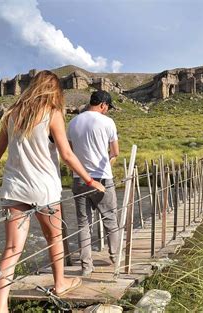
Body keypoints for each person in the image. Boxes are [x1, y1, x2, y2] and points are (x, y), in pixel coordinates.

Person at [0, 70, 105, 313]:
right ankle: (60, 284)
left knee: (12, 249)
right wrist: (90, 181)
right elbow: (67, 154)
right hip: (44, 190)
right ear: (53, 90)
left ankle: (1, 307)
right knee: (54, 238)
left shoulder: (12, 114)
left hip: (14, 189)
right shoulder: (52, 113)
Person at [67, 90, 120, 276]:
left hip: (78, 179)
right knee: (110, 219)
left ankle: (86, 267)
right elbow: (115, 152)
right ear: (103, 105)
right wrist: (107, 164)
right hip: (102, 178)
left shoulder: (72, 123)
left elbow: (70, 154)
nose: (107, 111)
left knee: (83, 224)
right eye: (108, 108)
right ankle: (116, 258)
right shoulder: (108, 122)